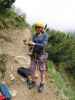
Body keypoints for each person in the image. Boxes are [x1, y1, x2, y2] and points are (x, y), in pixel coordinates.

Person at [28, 21, 48, 92]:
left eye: (39, 27)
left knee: (42, 71)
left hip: (41, 55)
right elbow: (32, 44)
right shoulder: (34, 35)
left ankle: (42, 84)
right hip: (34, 55)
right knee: (32, 69)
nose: (37, 28)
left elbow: (44, 45)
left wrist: (34, 44)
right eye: (36, 27)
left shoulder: (45, 35)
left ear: (42, 28)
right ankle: (33, 82)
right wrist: (29, 45)